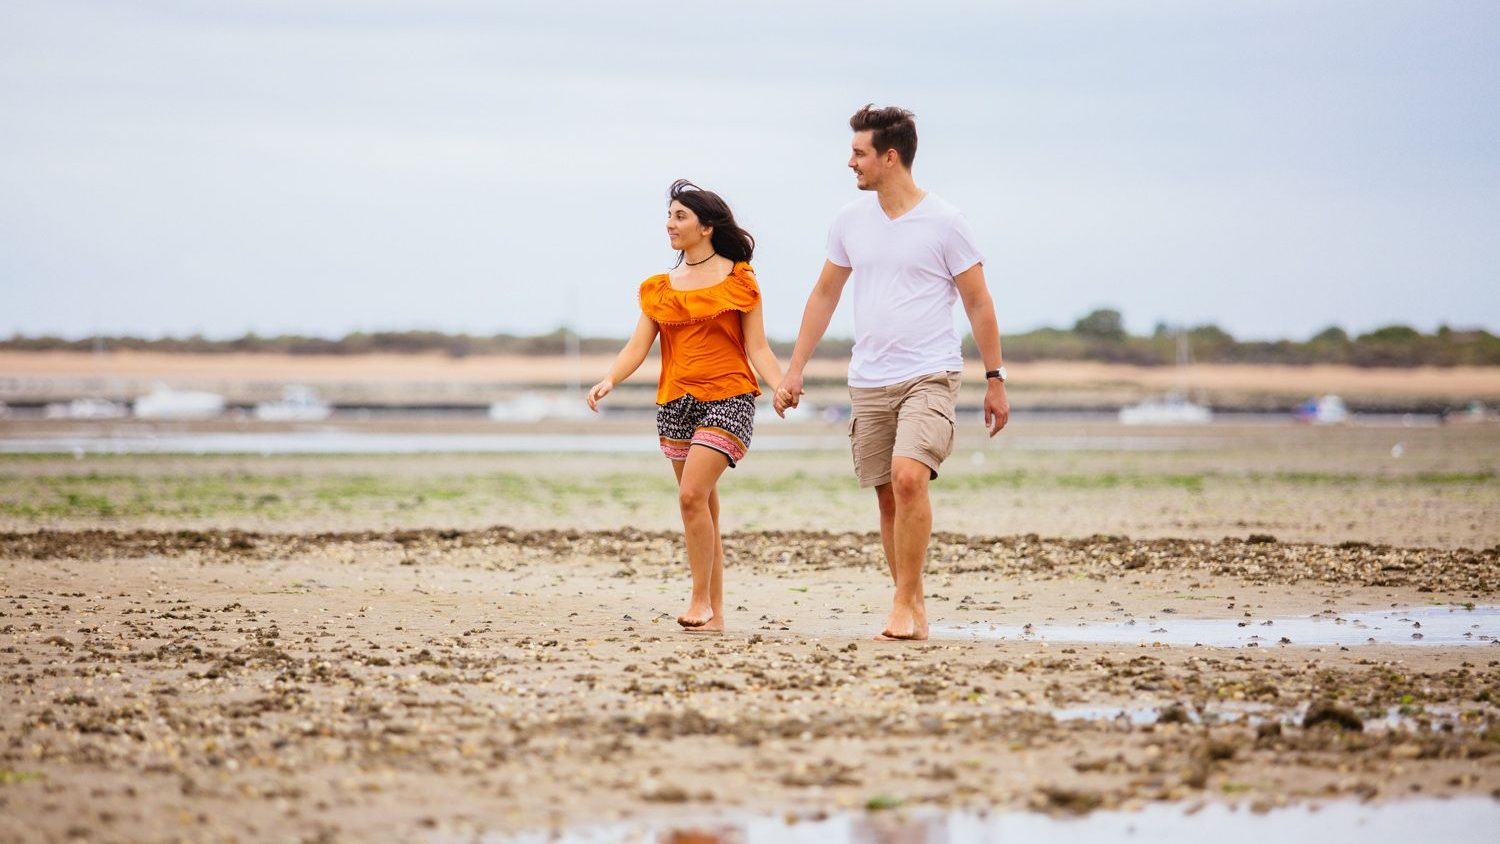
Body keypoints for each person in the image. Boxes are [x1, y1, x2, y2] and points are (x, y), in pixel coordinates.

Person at [774, 104, 1010, 641]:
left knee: (909, 477)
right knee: (886, 495)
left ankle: (903, 603)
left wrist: (995, 378)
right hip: (869, 378)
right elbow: (825, 294)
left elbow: (978, 303)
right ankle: (912, 600)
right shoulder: (849, 221)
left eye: (859, 153)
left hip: (929, 373)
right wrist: (793, 370)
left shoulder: (947, 223)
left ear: (890, 156)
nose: (850, 162)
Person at [588, 179, 783, 633]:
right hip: (676, 402)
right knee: (703, 507)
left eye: (680, 216)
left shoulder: (740, 279)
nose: (670, 224)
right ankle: (714, 614)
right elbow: (637, 347)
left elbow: (759, 348)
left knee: (691, 496)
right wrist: (609, 379)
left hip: (730, 396)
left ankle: (698, 599)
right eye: (669, 216)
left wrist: (780, 385)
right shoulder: (660, 288)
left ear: (707, 227)